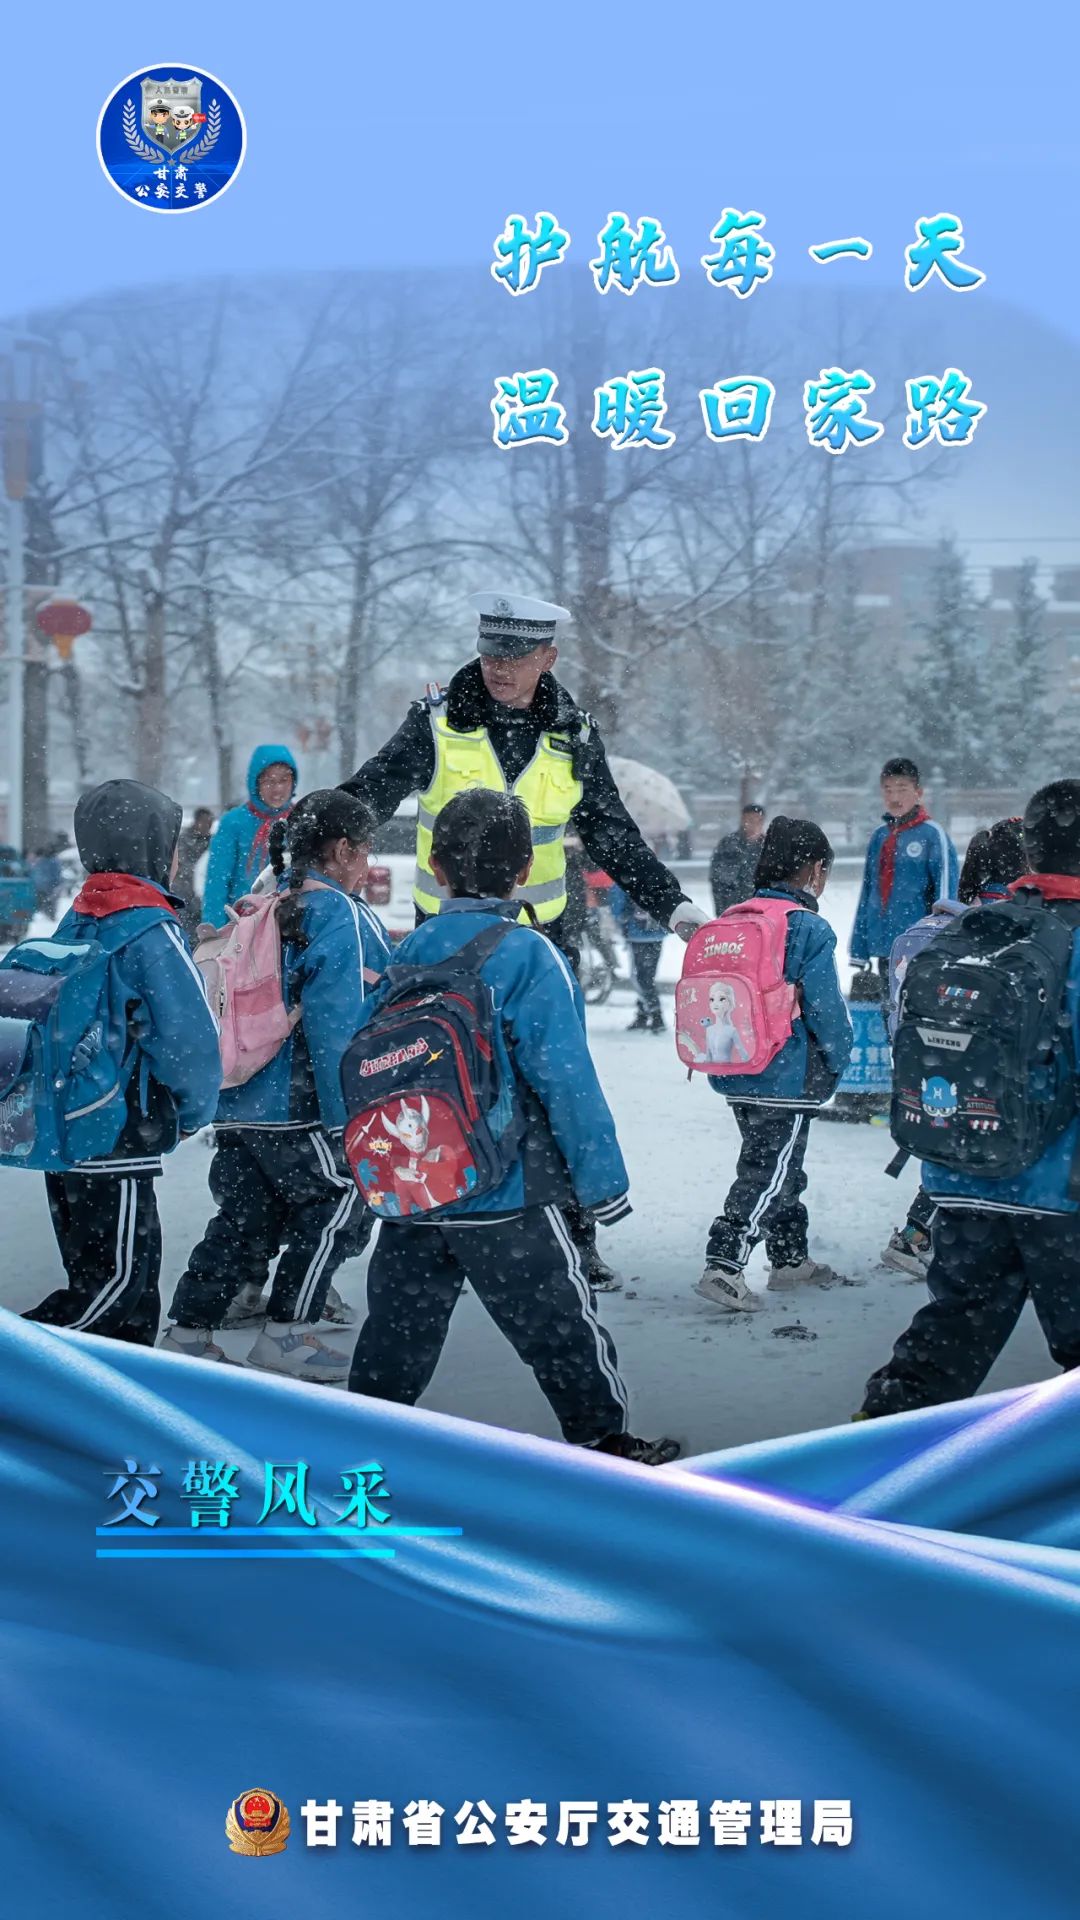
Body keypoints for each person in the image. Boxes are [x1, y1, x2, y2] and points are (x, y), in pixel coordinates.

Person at [341, 591, 708, 1288]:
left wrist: (676, 910)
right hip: (445, 949)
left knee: (549, 1086)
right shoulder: (437, 723)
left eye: (515, 656)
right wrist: (306, 852)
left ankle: (572, 1231)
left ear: (548, 657)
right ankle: (429, 1219)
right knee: (430, 1078)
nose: (499, 668)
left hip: (540, 947)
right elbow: (370, 793)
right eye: (490, 653)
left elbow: (614, 835)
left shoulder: (574, 737)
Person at [347, 789, 681, 1465]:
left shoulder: (408, 950)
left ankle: (360, 1441)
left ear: (435, 867)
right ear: (527, 868)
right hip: (508, 1187)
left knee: (398, 1328)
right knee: (558, 1325)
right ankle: (605, 1442)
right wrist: (602, 1184)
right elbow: (565, 1079)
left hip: (417, 1183)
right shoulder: (528, 953)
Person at [859, 782, 1080, 1418]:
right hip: (1060, 1192)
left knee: (950, 1332)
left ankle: (877, 1446)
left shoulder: (977, 928)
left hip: (963, 1172)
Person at [160, 791, 392, 1380]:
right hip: (300, 1105)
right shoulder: (338, 914)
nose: (367, 864)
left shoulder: (264, 902)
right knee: (340, 1203)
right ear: (344, 850)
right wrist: (348, 1121)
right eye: (366, 851)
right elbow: (337, 1025)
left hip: (239, 1097)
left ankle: (188, 1331)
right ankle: (288, 1332)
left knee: (244, 1219)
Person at [22, 781, 220, 1345]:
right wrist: (193, 1111)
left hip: (66, 1122)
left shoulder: (79, 917)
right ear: (151, 847)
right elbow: (188, 1037)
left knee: (117, 1277)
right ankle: (23, 1361)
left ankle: (117, 1385)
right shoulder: (149, 927)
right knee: (115, 1284)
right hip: (118, 1131)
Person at [694, 817, 853, 1312]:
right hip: (787, 1072)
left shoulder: (733, 920)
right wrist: (837, 1058)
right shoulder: (807, 927)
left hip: (735, 1065)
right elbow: (826, 1009)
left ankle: (789, 1259)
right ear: (815, 870)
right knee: (769, 1168)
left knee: (780, 1163)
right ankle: (725, 1261)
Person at [880, 816, 1030, 1279]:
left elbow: (895, 1009)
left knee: (950, 1151)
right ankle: (922, 1236)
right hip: (986, 1072)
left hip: (920, 1066)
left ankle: (918, 1233)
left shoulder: (921, 931)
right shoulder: (1015, 931)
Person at [850, 758, 958, 987]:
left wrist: (942, 945)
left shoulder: (932, 835)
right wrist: (859, 949)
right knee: (887, 1004)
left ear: (918, 792)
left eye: (902, 789)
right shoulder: (880, 836)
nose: (894, 797)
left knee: (912, 1003)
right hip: (883, 945)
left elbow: (946, 896)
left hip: (918, 946)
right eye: (888, 790)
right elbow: (868, 892)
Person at [201, 746, 298, 930]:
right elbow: (217, 884)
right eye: (269, 781)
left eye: (284, 780)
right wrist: (215, 932)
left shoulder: (301, 820)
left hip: (290, 925)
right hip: (241, 926)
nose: (277, 788)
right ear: (255, 782)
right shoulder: (233, 822)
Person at [609, 881, 667, 1031]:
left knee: (640, 977)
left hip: (636, 935)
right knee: (648, 976)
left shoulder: (624, 879)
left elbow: (617, 907)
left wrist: (622, 921)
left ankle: (656, 1014)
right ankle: (643, 1014)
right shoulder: (657, 876)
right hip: (657, 933)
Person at [709, 803, 766, 916]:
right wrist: (722, 911)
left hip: (760, 910)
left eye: (758, 821)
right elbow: (717, 878)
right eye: (750, 820)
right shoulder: (728, 844)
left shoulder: (768, 846)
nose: (754, 825)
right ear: (743, 820)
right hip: (732, 908)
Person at [174, 806, 214, 941]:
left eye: (209, 823)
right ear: (196, 822)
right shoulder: (184, 840)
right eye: (204, 822)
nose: (207, 826)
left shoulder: (211, 841)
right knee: (187, 932)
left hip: (202, 897)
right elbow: (183, 865)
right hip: (184, 893)